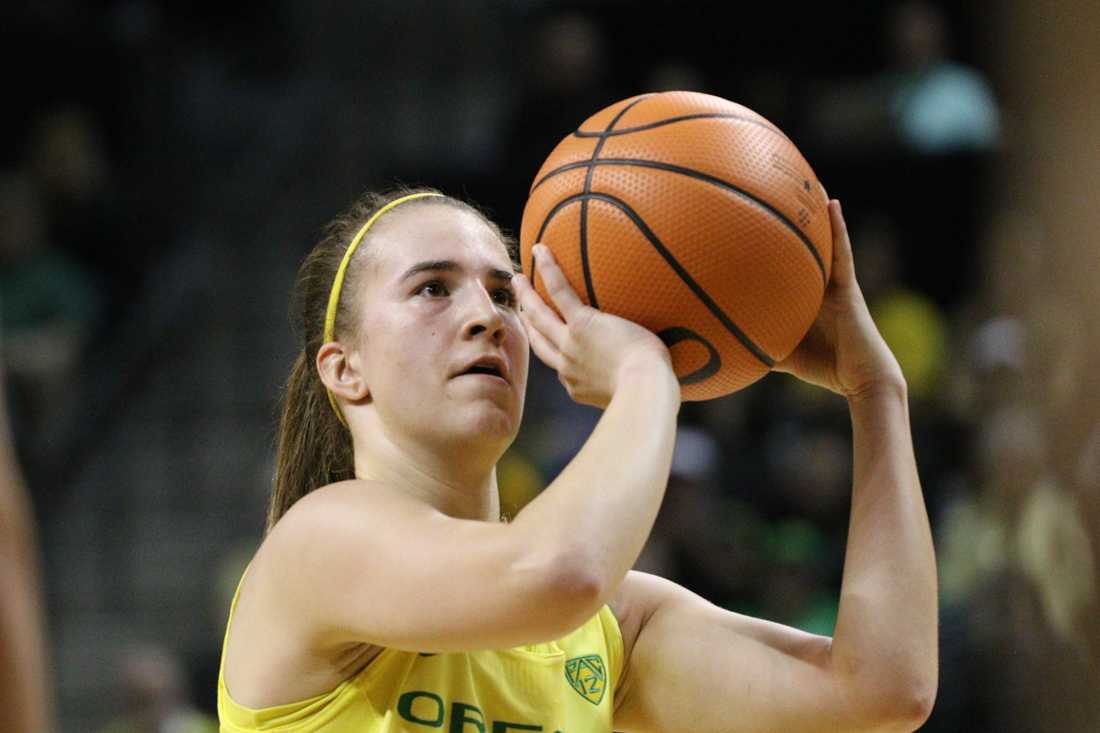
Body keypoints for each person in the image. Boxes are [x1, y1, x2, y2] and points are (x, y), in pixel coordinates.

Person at [217, 187, 937, 732]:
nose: (487, 317)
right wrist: (646, 377)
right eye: (433, 288)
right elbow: (557, 571)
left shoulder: (607, 625)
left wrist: (875, 393)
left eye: (504, 293)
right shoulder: (318, 542)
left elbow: (881, 690)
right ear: (344, 370)